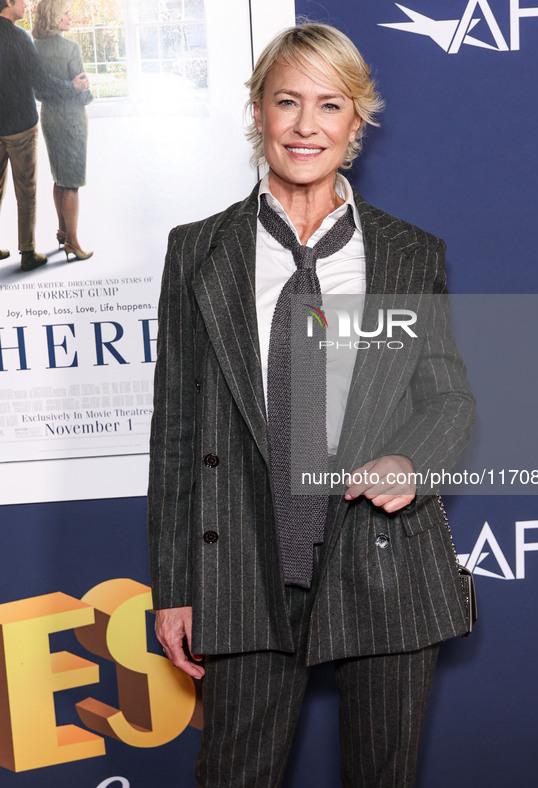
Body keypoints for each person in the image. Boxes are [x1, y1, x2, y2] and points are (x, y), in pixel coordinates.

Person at [148, 22, 476, 787]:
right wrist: (174, 588)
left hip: (382, 560)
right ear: (257, 110)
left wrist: (410, 461)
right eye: (285, 101)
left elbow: (448, 401)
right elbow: (177, 430)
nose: (305, 126)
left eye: (328, 105)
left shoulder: (407, 252)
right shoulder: (196, 250)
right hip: (243, 565)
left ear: (356, 121)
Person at [0, 0, 88, 271]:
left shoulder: (26, 38)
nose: (26, 4)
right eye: (21, 0)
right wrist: (72, 86)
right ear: (9, 2)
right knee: (26, 192)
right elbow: (42, 81)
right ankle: (27, 253)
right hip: (21, 127)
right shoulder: (19, 37)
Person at [33, 0, 93, 261]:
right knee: (72, 184)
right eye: (65, 12)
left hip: (49, 118)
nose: (70, 16)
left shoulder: (33, 48)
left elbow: (38, 91)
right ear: (54, 16)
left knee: (59, 178)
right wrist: (86, 92)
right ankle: (73, 242)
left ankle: (62, 231)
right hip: (71, 119)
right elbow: (80, 88)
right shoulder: (71, 48)